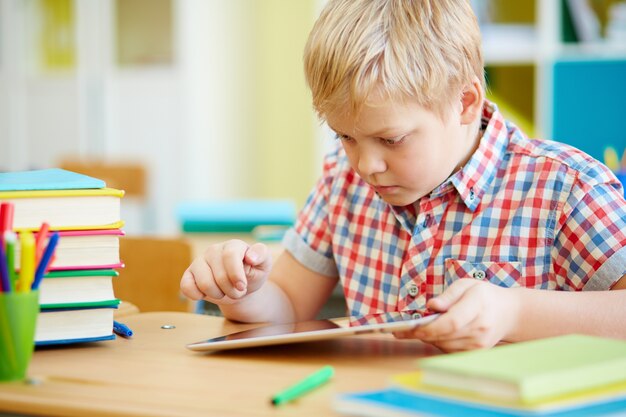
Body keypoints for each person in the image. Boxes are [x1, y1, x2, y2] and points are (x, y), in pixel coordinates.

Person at [181, 0, 626, 352]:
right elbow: (288, 306)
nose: (365, 165)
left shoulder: (565, 186)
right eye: (346, 137)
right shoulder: (343, 181)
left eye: (391, 140)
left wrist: (516, 312)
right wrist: (242, 291)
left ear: (465, 102)